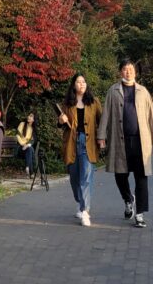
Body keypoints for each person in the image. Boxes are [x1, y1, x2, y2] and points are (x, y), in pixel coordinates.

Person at [98, 57, 153, 229]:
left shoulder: (143, 91)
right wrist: (101, 136)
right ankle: (128, 199)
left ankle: (139, 214)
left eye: (131, 69)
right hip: (120, 141)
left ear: (135, 72)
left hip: (140, 141)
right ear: (120, 72)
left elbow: (151, 114)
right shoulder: (113, 91)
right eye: (125, 69)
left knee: (141, 177)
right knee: (120, 175)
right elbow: (106, 114)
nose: (128, 72)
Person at [58, 73, 102, 227]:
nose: (81, 84)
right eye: (78, 81)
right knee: (74, 177)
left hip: (88, 143)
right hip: (72, 142)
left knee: (86, 177)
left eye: (84, 81)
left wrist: (102, 139)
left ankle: (85, 211)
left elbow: (101, 122)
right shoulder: (68, 103)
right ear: (74, 85)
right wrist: (61, 120)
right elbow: (62, 124)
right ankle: (80, 201)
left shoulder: (94, 102)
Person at [16, 112, 36, 177]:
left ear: (33, 120)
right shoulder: (22, 124)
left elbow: (32, 140)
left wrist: (27, 145)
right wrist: (23, 144)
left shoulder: (32, 129)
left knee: (30, 149)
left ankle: (27, 167)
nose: (29, 117)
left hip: (27, 149)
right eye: (29, 115)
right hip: (20, 148)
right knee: (31, 150)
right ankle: (31, 172)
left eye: (31, 116)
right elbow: (17, 136)